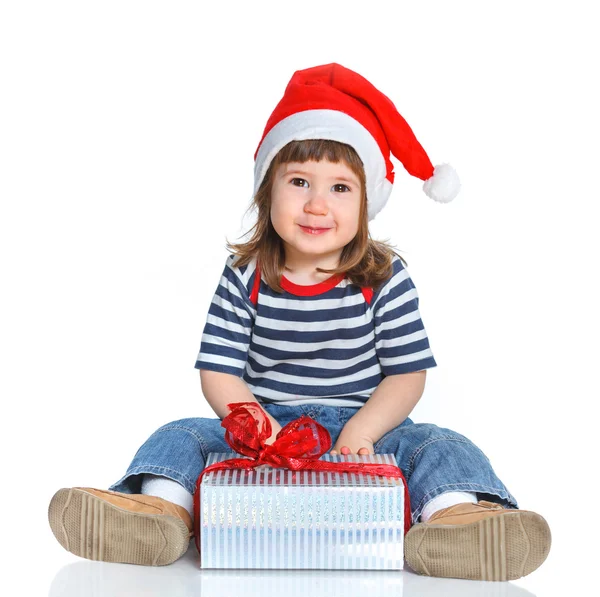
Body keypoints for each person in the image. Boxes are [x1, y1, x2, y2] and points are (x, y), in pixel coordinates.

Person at [48, 63, 551, 581]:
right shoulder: (246, 275)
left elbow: (406, 375)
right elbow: (220, 370)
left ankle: (456, 521)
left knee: (441, 446)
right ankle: (159, 514)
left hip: (363, 433)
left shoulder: (384, 277)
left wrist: (363, 430)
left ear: (366, 202)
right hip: (267, 434)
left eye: (340, 188)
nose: (316, 204)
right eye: (299, 182)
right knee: (182, 435)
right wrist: (251, 420)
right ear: (269, 190)